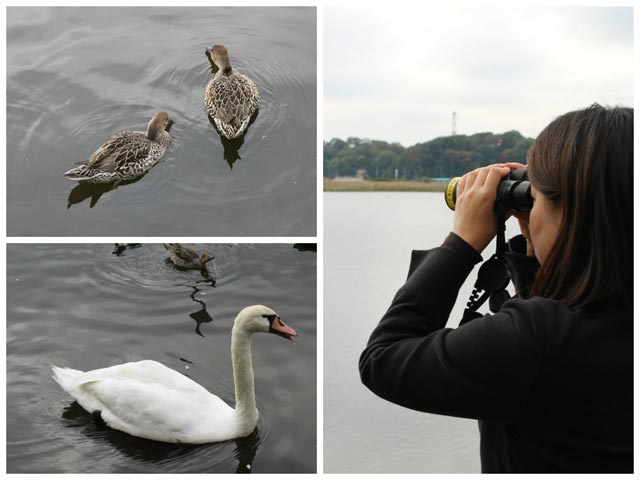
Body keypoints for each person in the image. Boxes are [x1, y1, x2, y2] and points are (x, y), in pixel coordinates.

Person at [359, 104, 633, 473]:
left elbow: (383, 359)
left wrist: (462, 243)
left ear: (568, 212)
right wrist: (533, 249)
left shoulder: (533, 339)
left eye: (535, 199)